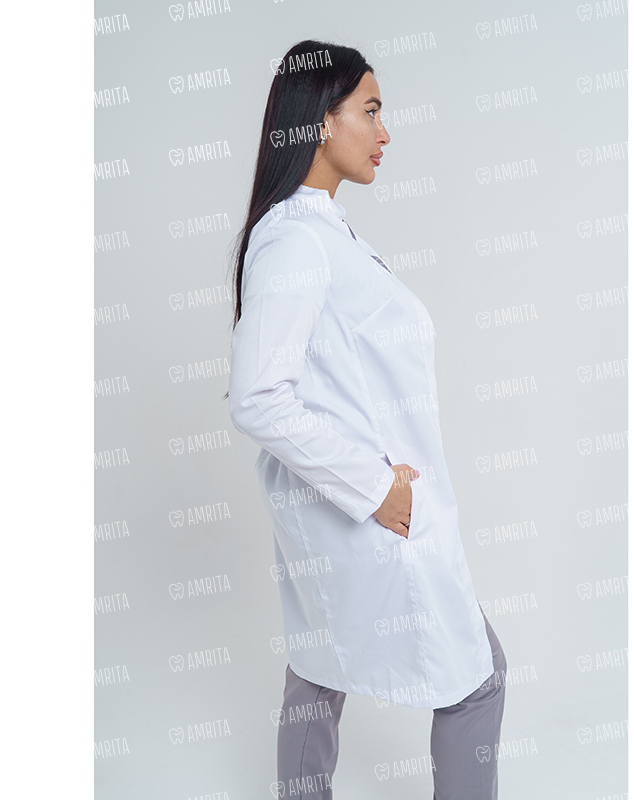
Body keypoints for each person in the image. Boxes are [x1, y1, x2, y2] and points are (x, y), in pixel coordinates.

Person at [227, 40, 507, 799]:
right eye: (372, 111)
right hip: (368, 513)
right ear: (322, 120)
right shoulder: (295, 241)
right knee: (474, 680)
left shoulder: (321, 231)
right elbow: (258, 396)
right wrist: (377, 488)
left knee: (318, 674)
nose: (385, 132)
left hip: (351, 517)